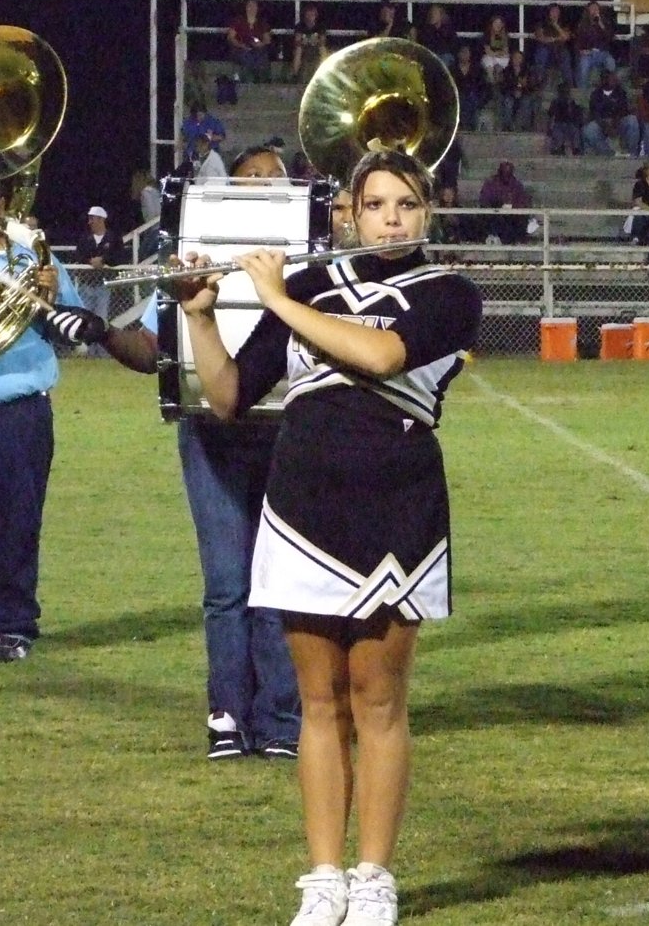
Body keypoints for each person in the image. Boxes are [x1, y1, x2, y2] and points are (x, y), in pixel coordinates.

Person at [172, 149, 482, 926]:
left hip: (397, 507)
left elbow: (381, 354)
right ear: (349, 213)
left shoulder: (449, 292)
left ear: (428, 212)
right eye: (375, 205)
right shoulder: (312, 284)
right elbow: (229, 395)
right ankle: (323, 878)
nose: (391, 220)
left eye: (406, 205)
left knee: (378, 698)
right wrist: (200, 313)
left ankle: (374, 876)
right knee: (319, 701)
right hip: (303, 507)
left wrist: (276, 296)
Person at [99, 145, 305, 759]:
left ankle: (279, 718)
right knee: (226, 583)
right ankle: (228, 714)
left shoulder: (306, 258)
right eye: (250, 178)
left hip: (287, 431)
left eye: (274, 177)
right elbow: (152, 350)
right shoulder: (198, 252)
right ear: (227, 191)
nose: (263, 185)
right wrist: (101, 331)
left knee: (278, 581)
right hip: (211, 432)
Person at [0, 209, 92, 662]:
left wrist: (51, 299)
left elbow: (76, 330)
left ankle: (13, 624)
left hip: (21, 408)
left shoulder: (34, 258)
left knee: (18, 521)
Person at [74, 205, 124, 352]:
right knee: (85, 319)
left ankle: (101, 352)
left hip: (103, 285)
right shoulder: (84, 238)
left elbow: (120, 256)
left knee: (101, 319)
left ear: (101, 220)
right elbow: (78, 255)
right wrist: (90, 261)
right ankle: (87, 352)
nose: (89, 222)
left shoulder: (114, 238)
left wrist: (103, 260)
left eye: (92, 219)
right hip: (86, 284)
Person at [581, 71, 640, 157]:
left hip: (618, 122)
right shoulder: (596, 94)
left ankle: (632, 154)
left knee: (632, 120)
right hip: (602, 124)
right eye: (608, 79)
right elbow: (595, 113)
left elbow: (623, 110)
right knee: (589, 130)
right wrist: (605, 125)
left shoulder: (620, 92)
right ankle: (609, 154)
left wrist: (614, 123)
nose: (611, 81)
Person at [573, 1, 617, 89]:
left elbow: (610, 37)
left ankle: (611, 88)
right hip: (589, 53)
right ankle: (582, 89)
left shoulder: (605, 22)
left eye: (596, 9)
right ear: (588, 11)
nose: (594, 11)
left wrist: (601, 24)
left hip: (603, 52)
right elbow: (577, 41)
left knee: (611, 63)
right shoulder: (582, 25)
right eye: (592, 9)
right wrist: (581, 51)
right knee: (584, 65)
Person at [227, 0, 272, 83]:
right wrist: (240, 45)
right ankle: (249, 79)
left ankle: (262, 79)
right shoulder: (238, 21)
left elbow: (267, 39)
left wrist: (261, 44)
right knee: (246, 55)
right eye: (250, 6)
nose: (252, 8)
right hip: (241, 47)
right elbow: (231, 37)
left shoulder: (262, 22)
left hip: (257, 48)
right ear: (246, 8)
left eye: (254, 6)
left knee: (261, 55)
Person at [532, 3, 574, 88]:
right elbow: (541, 38)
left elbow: (566, 37)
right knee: (542, 53)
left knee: (565, 55)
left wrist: (556, 25)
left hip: (559, 49)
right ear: (549, 13)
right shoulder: (541, 24)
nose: (555, 13)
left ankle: (569, 85)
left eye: (557, 11)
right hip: (545, 48)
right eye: (553, 11)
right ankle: (539, 82)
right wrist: (557, 38)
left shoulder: (564, 24)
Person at [292, 3, 330, 81]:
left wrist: (315, 42)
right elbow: (297, 41)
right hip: (304, 47)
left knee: (322, 49)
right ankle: (295, 75)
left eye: (312, 15)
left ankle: (325, 74)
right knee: (298, 50)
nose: (310, 17)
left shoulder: (320, 26)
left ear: (315, 16)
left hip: (316, 47)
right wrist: (304, 42)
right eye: (308, 15)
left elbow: (323, 41)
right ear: (305, 15)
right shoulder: (300, 26)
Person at [546, 81, 584, 157]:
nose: (565, 94)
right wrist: (549, 127)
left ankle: (576, 148)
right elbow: (552, 115)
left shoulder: (572, 102)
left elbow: (576, 116)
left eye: (567, 92)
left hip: (570, 124)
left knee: (575, 131)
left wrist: (570, 106)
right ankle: (558, 148)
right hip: (558, 124)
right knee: (558, 133)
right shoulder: (555, 102)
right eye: (563, 92)